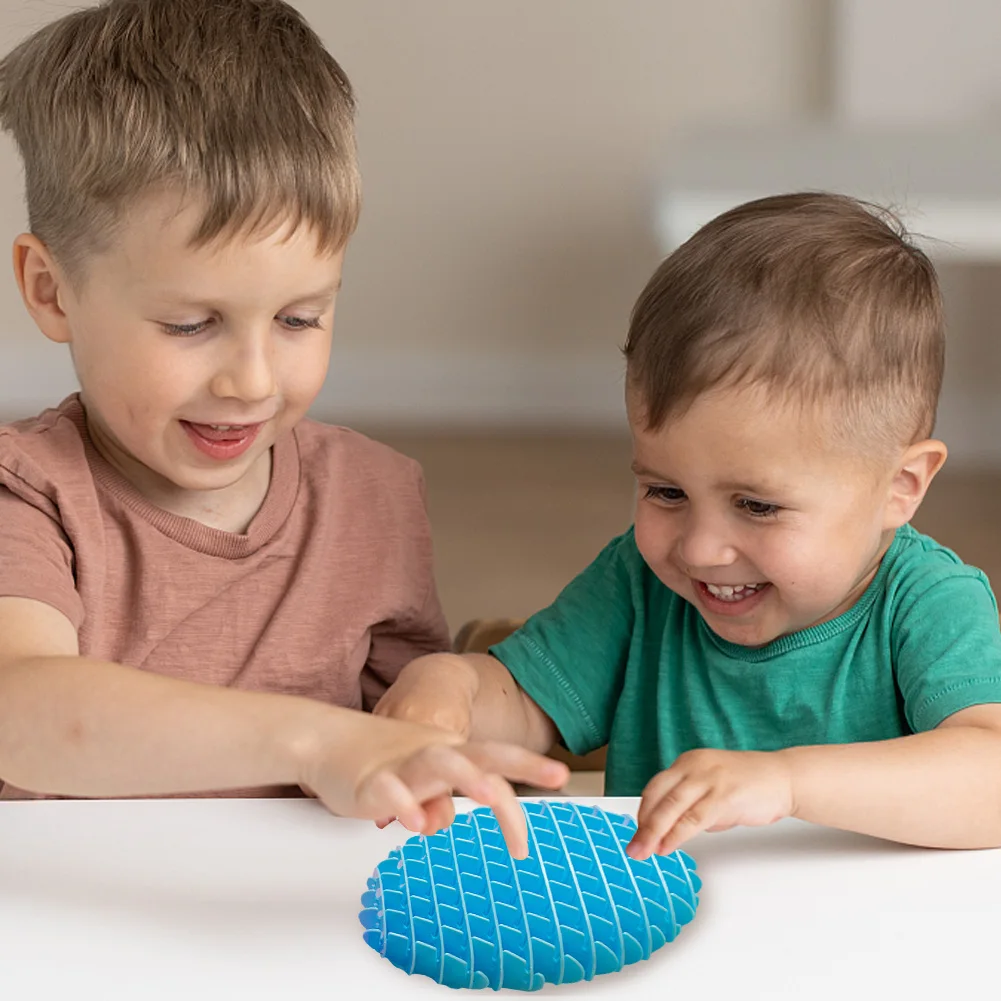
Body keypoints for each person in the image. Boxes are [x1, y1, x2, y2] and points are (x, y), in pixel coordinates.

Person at [0, 0, 566, 859]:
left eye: (300, 318)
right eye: (191, 324)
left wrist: (438, 714)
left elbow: (404, 740)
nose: (253, 381)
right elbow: (21, 707)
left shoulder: (372, 494)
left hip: (299, 915)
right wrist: (313, 740)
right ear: (51, 290)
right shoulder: (29, 491)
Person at [378, 192, 1001, 857]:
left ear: (900, 487)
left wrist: (787, 783)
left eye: (757, 505)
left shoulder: (930, 603)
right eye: (666, 491)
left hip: (874, 922)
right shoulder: (638, 582)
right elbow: (525, 706)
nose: (700, 550)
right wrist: (453, 687)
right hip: (667, 913)